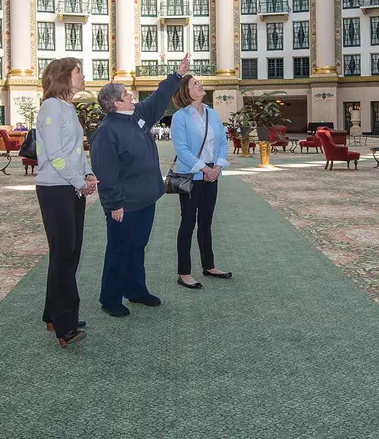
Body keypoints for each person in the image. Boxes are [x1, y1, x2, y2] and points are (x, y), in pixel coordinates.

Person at [91, 52, 191, 317]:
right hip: (124, 205)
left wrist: (177, 75)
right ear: (114, 103)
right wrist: (113, 204)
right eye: (126, 95)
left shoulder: (136, 116)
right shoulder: (106, 132)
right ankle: (110, 298)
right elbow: (106, 172)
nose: (131, 97)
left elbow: (159, 98)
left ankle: (136, 290)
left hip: (146, 199)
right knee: (119, 250)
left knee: (137, 247)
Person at [35, 57, 98, 348]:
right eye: (78, 72)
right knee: (64, 254)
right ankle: (65, 324)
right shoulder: (50, 107)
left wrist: (87, 173)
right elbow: (56, 154)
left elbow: (76, 149)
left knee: (68, 252)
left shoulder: (67, 107)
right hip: (56, 188)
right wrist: (79, 182)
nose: (83, 76)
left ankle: (52, 313)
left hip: (69, 186)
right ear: (63, 76)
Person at [171, 75, 232, 291]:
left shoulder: (213, 114)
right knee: (188, 223)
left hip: (211, 174)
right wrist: (204, 168)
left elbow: (223, 142)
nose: (200, 85)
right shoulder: (179, 117)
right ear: (186, 91)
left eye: (199, 82)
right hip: (191, 175)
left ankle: (209, 266)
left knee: (206, 222)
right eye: (195, 83)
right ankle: (184, 272)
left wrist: (217, 168)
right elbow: (182, 149)